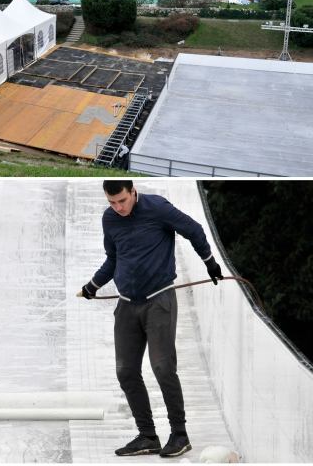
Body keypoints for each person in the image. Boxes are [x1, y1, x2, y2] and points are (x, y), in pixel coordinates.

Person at [81, 181, 224, 458]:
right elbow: (113, 258)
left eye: (122, 200)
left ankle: (179, 435)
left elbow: (193, 230)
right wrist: (93, 285)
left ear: (133, 192)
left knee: (162, 367)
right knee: (125, 371)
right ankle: (147, 436)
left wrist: (210, 262)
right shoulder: (110, 218)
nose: (118, 207)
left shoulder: (157, 208)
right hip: (126, 305)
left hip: (159, 299)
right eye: (112, 203)